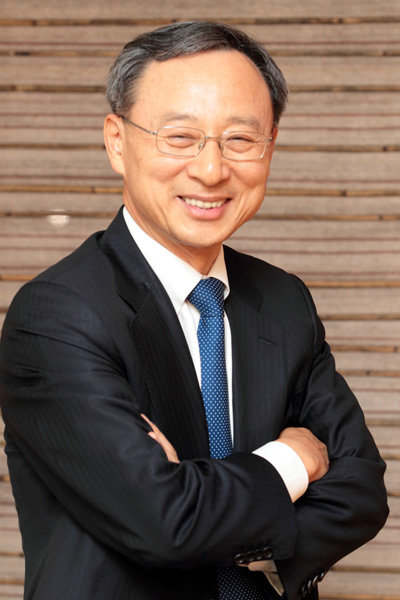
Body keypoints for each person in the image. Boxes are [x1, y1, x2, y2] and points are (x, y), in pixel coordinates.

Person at [0, 21, 388, 600]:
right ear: (116, 141)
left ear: (271, 145)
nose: (211, 170)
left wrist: (203, 506)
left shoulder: (283, 301)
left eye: (240, 139)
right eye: (179, 137)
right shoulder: (57, 314)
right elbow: (164, 521)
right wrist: (293, 460)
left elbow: (361, 491)